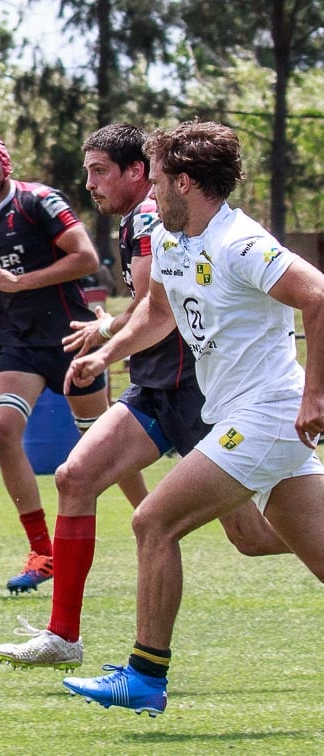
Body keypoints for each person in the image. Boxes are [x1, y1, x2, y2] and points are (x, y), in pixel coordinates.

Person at [0, 123, 288, 671]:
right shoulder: (140, 221)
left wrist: (103, 336)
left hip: (199, 393)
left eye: (100, 170)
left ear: (137, 172)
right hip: (154, 387)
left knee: (252, 537)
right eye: (87, 171)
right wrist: (105, 350)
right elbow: (155, 305)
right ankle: (63, 638)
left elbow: (156, 306)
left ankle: (138, 666)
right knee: (74, 477)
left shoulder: (156, 219)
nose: (90, 183)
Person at [61, 120, 324, 716]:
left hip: (269, 417)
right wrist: (106, 352)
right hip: (236, 414)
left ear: (186, 182)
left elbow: (319, 295)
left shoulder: (241, 243)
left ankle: (145, 677)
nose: (150, 195)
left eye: (155, 182)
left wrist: (315, 395)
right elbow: (159, 311)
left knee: (154, 522)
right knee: (273, 547)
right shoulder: (175, 238)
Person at [0, 133, 146, 593]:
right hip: (15, 342)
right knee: (2, 433)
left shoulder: (38, 200)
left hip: (68, 335)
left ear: (4, 164)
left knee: (103, 445)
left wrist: (18, 282)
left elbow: (85, 260)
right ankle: (43, 553)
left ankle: (152, 522)